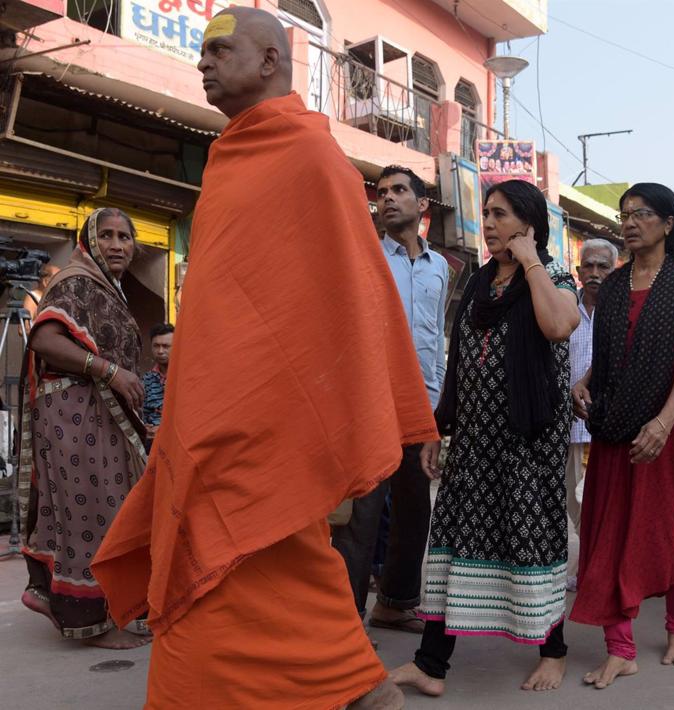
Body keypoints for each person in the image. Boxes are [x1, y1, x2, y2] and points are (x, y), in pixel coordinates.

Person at [91, 8, 437, 709]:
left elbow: (350, 305)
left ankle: (357, 686)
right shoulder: (229, 156)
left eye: (222, 49)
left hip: (272, 424)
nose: (204, 61)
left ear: (272, 62)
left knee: (252, 556)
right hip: (213, 413)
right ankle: (362, 686)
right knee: (223, 574)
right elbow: (224, 304)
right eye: (204, 51)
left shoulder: (315, 158)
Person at [390, 179, 580, 696]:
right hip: (474, 441)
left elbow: (560, 325)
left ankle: (554, 652)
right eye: (487, 214)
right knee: (450, 544)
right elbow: (457, 366)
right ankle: (431, 665)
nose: (489, 224)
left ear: (528, 223)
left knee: (533, 539)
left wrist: (532, 260)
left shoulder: (556, 276)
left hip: (528, 442)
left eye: (500, 215)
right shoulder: (477, 283)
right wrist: (438, 426)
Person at [569, 183, 674, 688]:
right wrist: (584, 384)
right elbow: (607, 355)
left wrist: (663, 422)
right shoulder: (612, 285)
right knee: (609, 526)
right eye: (624, 214)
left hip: (672, 424)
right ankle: (620, 648)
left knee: (667, 525)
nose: (630, 223)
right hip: (613, 420)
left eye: (642, 214)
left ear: (668, 223)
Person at [18, 208, 148, 649]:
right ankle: (90, 622)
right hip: (74, 413)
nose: (116, 245)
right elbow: (44, 338)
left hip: (95, 411)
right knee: (90, 514)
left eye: (124, 237)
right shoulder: (76, 279)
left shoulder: (106, 287)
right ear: (89, 240)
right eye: (106, 235)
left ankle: (104, 605)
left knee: (106, 510)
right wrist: (109, 371)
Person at [333, 165, 448, 636]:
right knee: (361, 515)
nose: (388, 198)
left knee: (414, 508)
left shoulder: (441, 267)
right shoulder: (364, 258)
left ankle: (396, 603)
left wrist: (436, 413)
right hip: (370, 404)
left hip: (420, 408)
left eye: (400, 191)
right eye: (382, 192)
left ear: (422, 206)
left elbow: (435, 336)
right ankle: (345, 622)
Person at [566, 238, 618, 588]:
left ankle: (597, 567)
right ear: (579, 270)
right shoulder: (565, 308)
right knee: (572, 498)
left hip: (609, 426)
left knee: (605, 501)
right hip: (569, 425)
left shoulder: (623, 312)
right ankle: (591, 561)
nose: (596, 273)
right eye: (590, 266)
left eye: (604, 267)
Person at [141, 323, 173, 444]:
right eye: (156, 346)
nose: (160, 351)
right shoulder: (146, 381)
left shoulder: (186, 378)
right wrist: (145, 429)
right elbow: (143, 414)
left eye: (166, 346)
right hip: (154, 445)